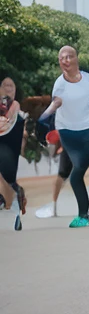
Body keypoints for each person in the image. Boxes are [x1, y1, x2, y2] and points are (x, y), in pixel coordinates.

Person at [36, 46, 89, 227]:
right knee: (75, 174)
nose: (65, 60)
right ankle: (85, 214)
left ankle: (85, 214)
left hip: (88, 132)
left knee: (76, 174)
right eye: (62, 57)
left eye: (69, 56)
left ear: (77, 59)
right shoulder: (59, 84)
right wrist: (44, 117)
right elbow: (55, 104)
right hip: (67, 133)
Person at [0, 75, 27, 230]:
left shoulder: (15, 105)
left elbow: (10, 120)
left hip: (10, 144)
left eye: (11, 86)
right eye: (5, 85)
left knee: (9, 179)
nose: (9, 88)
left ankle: (17, 212)